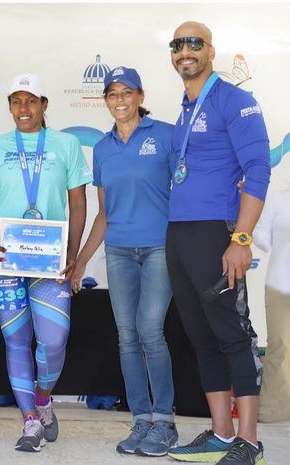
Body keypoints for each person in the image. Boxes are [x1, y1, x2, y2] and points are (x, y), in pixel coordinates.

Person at [164, 22, 270, 465]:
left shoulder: (235, 100)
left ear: (211, 51)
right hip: (180, 233)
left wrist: (241, 240)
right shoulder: (185, 109)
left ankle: (249, 441)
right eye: (177, 44)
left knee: (232, 335)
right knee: (201, 337)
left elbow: (259, 169)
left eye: (194, 43)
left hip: (218, 232)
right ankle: (221, 436)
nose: (185, 51)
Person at [0, 73, 90, 452]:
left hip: (51, 262)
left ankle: (43, 398)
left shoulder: (67, 144)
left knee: (53, 341)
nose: (23, 109)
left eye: (30, 101)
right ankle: (29, 421)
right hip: (6, 260)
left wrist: (73, 253)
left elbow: (77, 203)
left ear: (44, 104)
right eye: (15, 102)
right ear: (9, 106)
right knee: (15, 340)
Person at [71, 66, 177, 456]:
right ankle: (140, 421)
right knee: (127, 337)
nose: (120, 100)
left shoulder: (166, 135)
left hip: (159, 248)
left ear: (140, 96)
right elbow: (104, 213)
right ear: (106, 101)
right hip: (118, 251)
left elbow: (187, 186)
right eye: (112, 94)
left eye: (126, 92)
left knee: (150, 329)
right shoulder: (101, 148)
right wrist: (81, 262)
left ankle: (164, 422)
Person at [253, 188, 290, 423]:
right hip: (280, 283)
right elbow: (260, 235)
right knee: (279, 348)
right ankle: (273, 412)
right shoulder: (278, 197)